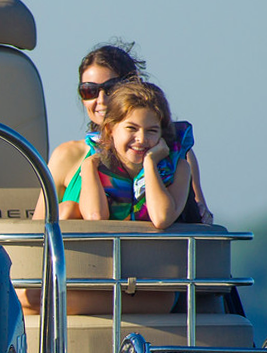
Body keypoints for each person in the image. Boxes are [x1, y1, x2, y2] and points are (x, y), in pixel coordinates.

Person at [33, 41, 212, 224]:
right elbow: (35, 230)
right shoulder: (66, 156)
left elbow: (200, 217)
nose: (101, 100)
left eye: (111, 89)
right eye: (89, 91)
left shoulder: (176, 157)